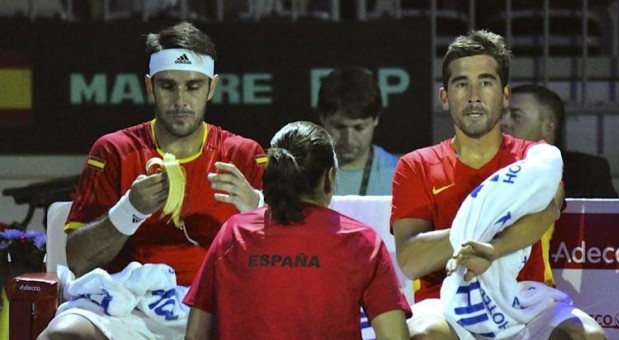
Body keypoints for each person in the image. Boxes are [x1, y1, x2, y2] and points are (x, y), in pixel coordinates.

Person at [38, 22, 266, 339]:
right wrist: (129, 210)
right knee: (64, 334)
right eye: (168, 86)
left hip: (218, 307)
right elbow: (78, 260)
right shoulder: (114, 150)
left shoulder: (245, 154)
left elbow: (287, 254)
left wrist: (257, 209)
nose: (180, 100)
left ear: (212, 87)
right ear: (150, 86)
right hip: (130, 308)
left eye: (193, 86)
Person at [391, 30, 606, 339]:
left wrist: (491, 249)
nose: (474, 95)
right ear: (444, 97)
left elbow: (545, 214)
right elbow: (411, 260)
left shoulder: (536, 157)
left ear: (505, 96)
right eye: (461, 83)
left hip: (527, 300)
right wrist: (472, 240)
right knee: (424, 334)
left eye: (486, 82)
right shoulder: (415, 165)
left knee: (586, 336)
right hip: (446, 303)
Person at [184, 121, 411, 339]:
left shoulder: (233, 233)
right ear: (329, 179)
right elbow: (394, 336)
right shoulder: (363, 242)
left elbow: (195, 334)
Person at [501, 84, 619, 198]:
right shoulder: (490, 165)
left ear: (548, 126)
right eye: (502, 115)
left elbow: (609, 218)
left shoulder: (587, 172)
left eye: (516, 116)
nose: (503, 123)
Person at [318, 66, 399, 195]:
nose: (348, 139)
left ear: (376, 119)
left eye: (359, 128)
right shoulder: (299, 174)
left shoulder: (399, 175)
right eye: (339, 127)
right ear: (322, 117)